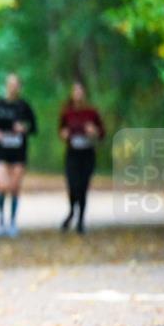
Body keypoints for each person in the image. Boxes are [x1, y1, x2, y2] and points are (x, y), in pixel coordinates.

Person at [0, 73, 37, 236]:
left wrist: (24, 128)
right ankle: (0, 219)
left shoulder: (24, 106)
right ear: (6, 85)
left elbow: (34, 128)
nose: (12, 87)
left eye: (15, 84)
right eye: (10, 84)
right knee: (2, 185)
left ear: (19, 87)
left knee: (15, 188)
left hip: (18, 153)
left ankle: (12, 222)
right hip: (1, 152)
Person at [59, 80, 105, 233]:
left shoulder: (92, 112)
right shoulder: (67, 112)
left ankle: (80, 220)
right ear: (72, 94)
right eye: (75, 91)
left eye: (80, 91)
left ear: (84, 93)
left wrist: (94, 132)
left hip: (87, 154)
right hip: (72, 154)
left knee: (83, 186)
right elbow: (61, 131)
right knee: (73, 185)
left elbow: (102, 133)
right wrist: (64, 135)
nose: (78, 94)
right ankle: (72, 211)